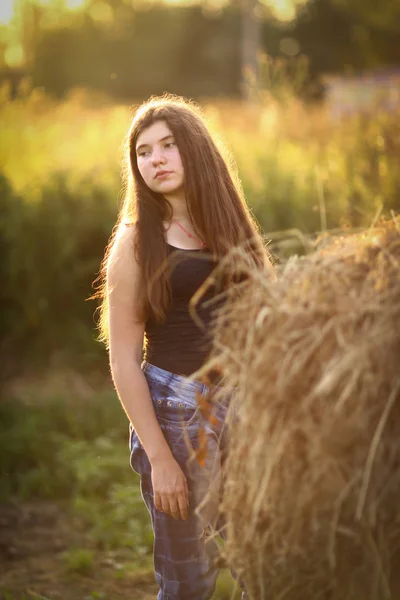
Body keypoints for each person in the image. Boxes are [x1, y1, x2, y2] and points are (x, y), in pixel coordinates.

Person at [97, 95, 274, 600]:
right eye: (144, 151)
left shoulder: (229, 226)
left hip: (243, 404)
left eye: (168, 145)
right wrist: (160, 459)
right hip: (177, 413)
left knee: (260, 565)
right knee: (190, 583)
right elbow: (123, 357)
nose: (155, 159)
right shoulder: (135, 242)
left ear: (195, 150)